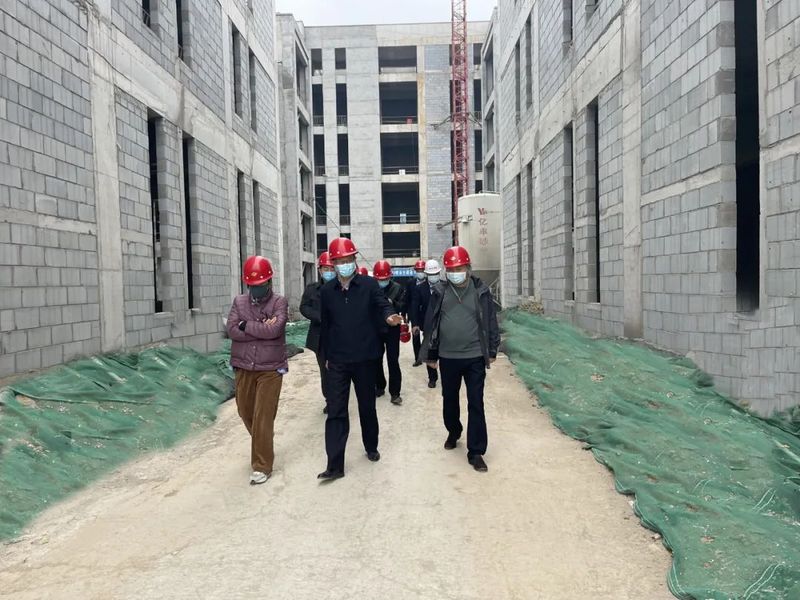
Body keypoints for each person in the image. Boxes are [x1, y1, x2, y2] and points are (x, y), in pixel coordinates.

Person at [317, 238, 403, 481]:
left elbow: (382, 306)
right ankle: (335, 465)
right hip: (338, 361)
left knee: (367, 407)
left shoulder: (369, 285)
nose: (344, 265)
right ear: (333, 264)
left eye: (348, 260)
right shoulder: (327, 291)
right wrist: (326, 356)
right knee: (336, 411)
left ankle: (371, 446)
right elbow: (326, 326)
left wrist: (390, 316)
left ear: (355, 260)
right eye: (339, 261)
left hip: (365, 358)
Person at [420, 246, 500, 473]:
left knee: (476, 402)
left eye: (460, 268)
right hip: (448, 357)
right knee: (449, 399)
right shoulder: (440, 292)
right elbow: (431, 324)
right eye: (452, 269)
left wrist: (492, 349)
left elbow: (491, 320)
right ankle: (453, 431)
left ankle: (476, 451)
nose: (456, 272)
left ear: (468, 267)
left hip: (475, 356)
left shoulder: (481, 291)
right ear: (446, 271)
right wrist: (430, 354)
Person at [226, 255, 289, 485]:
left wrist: (246, 326)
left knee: (263, 415)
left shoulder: (279, 302)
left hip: (270, 368)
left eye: (260, 284)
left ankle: (262, 465)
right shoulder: (239, 302)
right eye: (252, 285)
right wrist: (260, 327)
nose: (256, 288)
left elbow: (275, 330)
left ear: (269, 282)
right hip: (244, 365)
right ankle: (263, 440)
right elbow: (232, 330)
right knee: (245, 411)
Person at [300, 251, 336, 414]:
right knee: (325, 371)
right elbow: (304, 307)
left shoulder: (343, 288)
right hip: (320, 338)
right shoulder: (312, 289)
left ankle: (339, 398)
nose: (329, 272)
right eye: (325, 268)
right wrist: (319, 316)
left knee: (339, 369)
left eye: (332, 268)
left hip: (339, 336)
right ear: (320, 270)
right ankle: (329, 400)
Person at [373, 260, 407, 405]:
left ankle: (395, 393)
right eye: (380, 279)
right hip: (375, 328)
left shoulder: (397, 288)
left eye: (385, 279)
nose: (382, 281)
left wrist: (393, 303)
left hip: (392, 329)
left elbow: (403, 305)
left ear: (390, 277)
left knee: (393, 360)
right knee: (376, 359)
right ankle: (380, 386)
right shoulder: (372, 287)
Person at [409, 259, 440, 389]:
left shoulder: (446, 287)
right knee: (429, 349)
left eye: (435, 274)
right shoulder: (420, 288)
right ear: (427, 274)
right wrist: (415, 323)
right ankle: (432, 378)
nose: (433, 276)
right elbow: (414, 306)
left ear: (439, 273)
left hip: (443, 323)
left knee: (445, 351)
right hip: (427, 324)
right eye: (431, 274)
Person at [406, 259, 427, 366]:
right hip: (414, 314)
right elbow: (407, 299)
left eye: (422, 270)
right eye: (418, 270)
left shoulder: (430, 283)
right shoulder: (410, 283)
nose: (420, 272)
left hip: (426, 314)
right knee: (415, 336)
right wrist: (405, 314)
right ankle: (418, 358)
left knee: (427, 336)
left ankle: (427, 355)